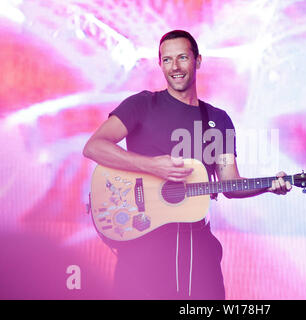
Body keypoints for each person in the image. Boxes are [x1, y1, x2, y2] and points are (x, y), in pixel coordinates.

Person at [83, 30, 292, 300]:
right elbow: (94, 146)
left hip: (197, 244)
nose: (175, 67)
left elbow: (231, 183)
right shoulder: (142, 105)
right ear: (160, 65)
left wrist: (267, 186)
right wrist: (152, 166)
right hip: (143, 244)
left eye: (182, 57)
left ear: (198, 60)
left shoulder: (218, 119)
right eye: (167, 60)